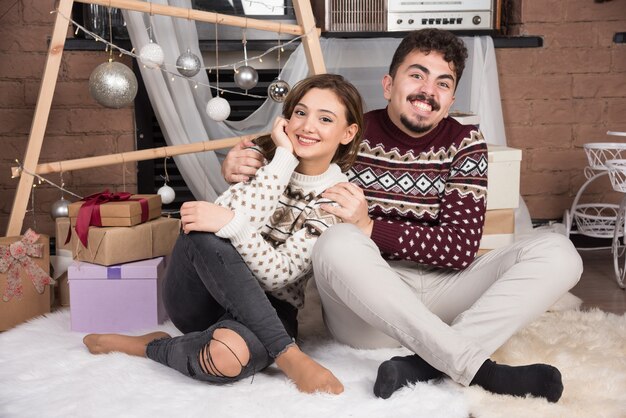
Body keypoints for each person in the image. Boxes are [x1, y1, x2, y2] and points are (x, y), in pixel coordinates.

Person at [221, 29, 583, 402]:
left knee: (559, 252)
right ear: (389, 84)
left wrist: (370, 226)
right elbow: (290, 147)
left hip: (446, 292)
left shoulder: (466, 143)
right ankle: (478, 367)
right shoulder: (349, 132)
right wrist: (241, 162)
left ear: (452, 98)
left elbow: (459, 249)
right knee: (337, 241)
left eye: (443, 83)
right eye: (417, 75)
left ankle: (429, 363)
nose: (428, 90)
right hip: (366, 307)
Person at [83, 73, 364, 395]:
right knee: (201, 231)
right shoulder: (260, 164)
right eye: (300, 113)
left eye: (325, 118)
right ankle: (288, 355)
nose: (307, 126)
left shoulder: (338, 198)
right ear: (286, 118)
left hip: (271, 310)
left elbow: (281, 275)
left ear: (348, 132)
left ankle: (153, 346)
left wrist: (235, 226)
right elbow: (213, 227)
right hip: (201, 298)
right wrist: (282, 160)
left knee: (224, 359)